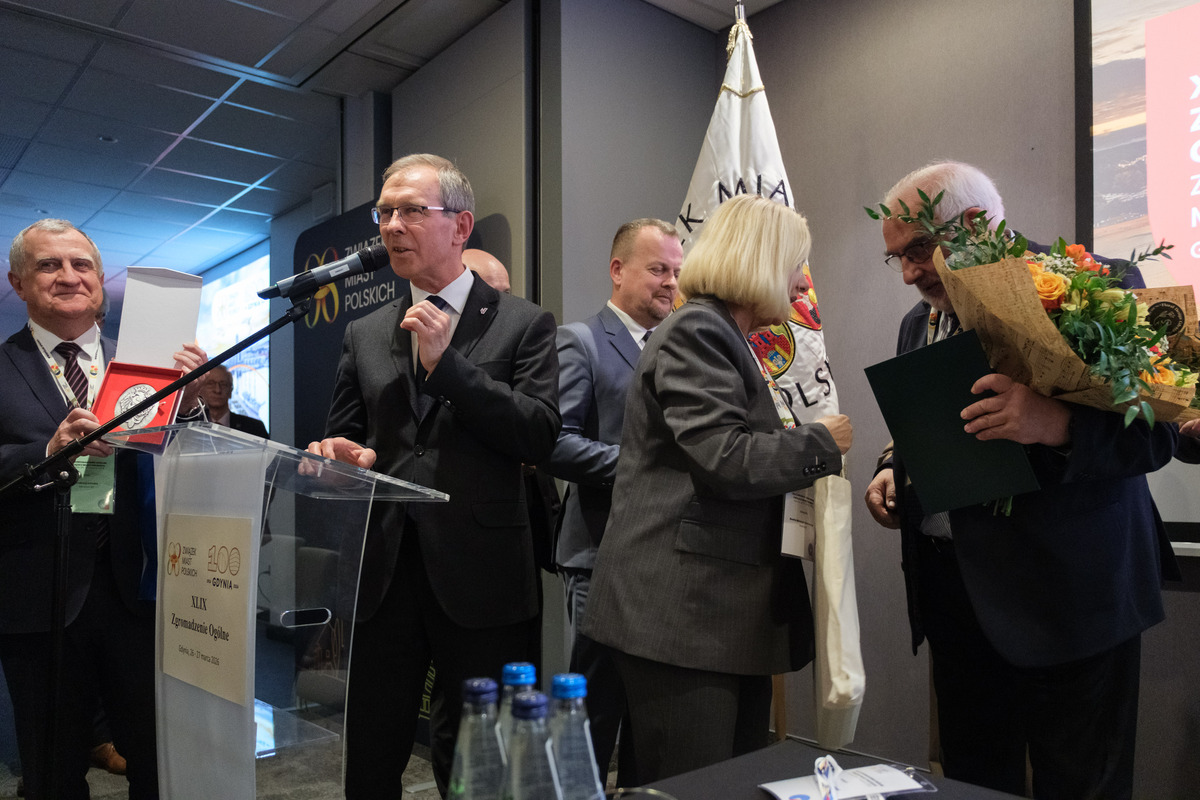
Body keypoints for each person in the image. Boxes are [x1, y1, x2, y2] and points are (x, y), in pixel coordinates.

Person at [863, 161, 1179, 799]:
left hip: (1072, 604)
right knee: (974, 785)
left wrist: (1056, 423)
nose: (909, 274)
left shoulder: (1099, 287)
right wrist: (893, 471)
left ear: (977, 223)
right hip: (957, 605)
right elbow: (929, 429)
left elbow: (1159, 433)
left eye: (918, 250)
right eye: (896, 258)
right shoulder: (916, 323)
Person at [305, 154, 560, 797]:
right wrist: (340, 458)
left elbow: (537, 433)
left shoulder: (523, 323)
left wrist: (448, 366)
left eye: (412, 211)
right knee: (371, 756)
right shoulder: (365, 332)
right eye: (385, 212)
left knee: (482, 765)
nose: (392, 225)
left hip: (483, 576)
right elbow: (348, 436)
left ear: (460, 226)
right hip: (385, 573)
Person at [582, 195, 852, 784]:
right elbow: (724, 458)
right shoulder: (700, 329)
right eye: (795, 265)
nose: (801, 283)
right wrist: (820, 443)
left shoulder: (721, 333)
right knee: (691, 785)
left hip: (716, 619)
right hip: (685, 618)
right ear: (761, 262)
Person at [0, 219, 208, 800]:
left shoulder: (151, 366)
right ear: (18, 283)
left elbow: (185, 461)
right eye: (49, 265)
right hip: (38, 600)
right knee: (53, 774)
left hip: (138, 593)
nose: (69, 277)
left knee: (158, 764)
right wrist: (47, 452)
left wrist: (190, 405)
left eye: (82, 264)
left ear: (99, 279)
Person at [541, 217, 681, 781]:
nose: (671, 283)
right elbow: (557, 444)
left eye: (676, 271)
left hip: (664, 556)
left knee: (653, 713)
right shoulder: (580, 340)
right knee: (596, 711)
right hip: (599, 556)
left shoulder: (679, 346)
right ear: (618, 270)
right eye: (658, 269)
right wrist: (646, 470)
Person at [199, 364, 269, 438]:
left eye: (223, 384)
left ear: (231, 391)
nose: (217, 390)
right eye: (211, 383)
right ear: (201, 390)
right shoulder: (193, 424)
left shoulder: (255, 428)